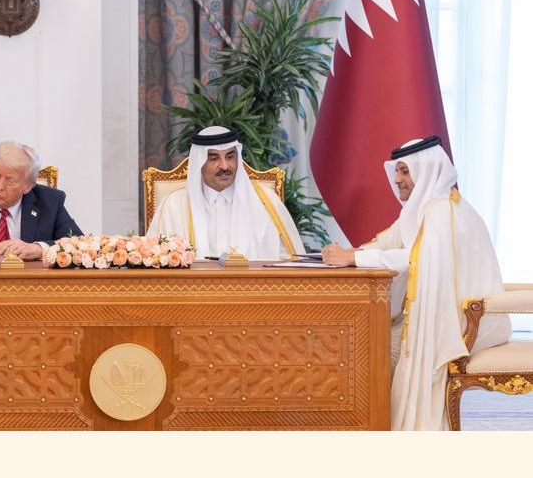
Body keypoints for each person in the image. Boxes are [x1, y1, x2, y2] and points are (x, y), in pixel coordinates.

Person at [321, 136, 511, 430]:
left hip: (461, 322)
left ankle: (372, 424)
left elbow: (414, 257)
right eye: (397, 171)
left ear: (426, 171)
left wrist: (353, 260)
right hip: (445, 311)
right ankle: (367, 422)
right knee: (367, 340)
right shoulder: (427, 207)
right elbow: (390, 241)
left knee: (369, 346)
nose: (396, 179)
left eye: (404, 171)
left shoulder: (442, 213)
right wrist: (351, 253)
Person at [146, 126, 305, 260]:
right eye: (214, 158)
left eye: (230, 156)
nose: (224, 166)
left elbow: (289, 262)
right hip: (193, 294)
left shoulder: (266, 203)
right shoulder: (174, 206)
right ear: (199, 162)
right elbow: (155, 262)